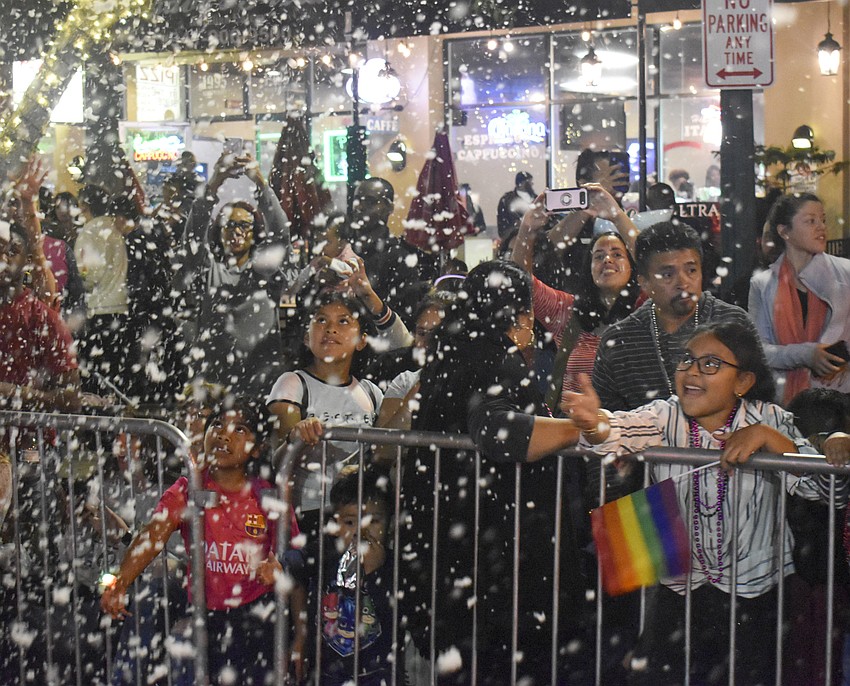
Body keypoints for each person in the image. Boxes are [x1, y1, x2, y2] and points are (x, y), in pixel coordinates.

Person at [565, 321, 848, 685]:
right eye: (687, 360)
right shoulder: (665, 415)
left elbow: (826, 493)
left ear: (743, 381)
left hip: (755, 598)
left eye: (710, 364)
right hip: (678, 592)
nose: (692, 371)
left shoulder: (770, 419)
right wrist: (594, 425)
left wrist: (771, 440)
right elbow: (617, 430)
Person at [399, 260, 591, 685]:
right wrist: (578, 429)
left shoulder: (453, 351)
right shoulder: (491, 358)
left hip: (458, 545)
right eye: (527, 314)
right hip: (494, 551)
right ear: (518, 314)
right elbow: (497, 430)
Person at [101, 397, 280, 685]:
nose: (224, 434)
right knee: (182, 643)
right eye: (218, 425)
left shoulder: (267, 495)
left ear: (257, 448)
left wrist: (279, 565)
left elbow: (293, 551)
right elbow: (153, 535)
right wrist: (121, 581)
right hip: (203, 608)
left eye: (240, 430)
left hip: (253, 613)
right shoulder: (188, 488)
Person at [592, 220, 758, 414]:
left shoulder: (733, 321)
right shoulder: (619, 340)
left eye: (691, 270)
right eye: (668, 274)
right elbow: (606, 423)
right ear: (644, 282)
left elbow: (762, 404)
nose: (683, 282)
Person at [266, 292, 384, 537]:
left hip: (361, 515)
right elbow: (279, 462)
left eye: (343, 321)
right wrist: (295, 438)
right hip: (310, 515)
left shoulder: (372, 393)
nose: (330, 329)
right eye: (321, 320)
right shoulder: (292, 384)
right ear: (307, 338)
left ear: (362, 340)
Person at [265, 466, 395, 685]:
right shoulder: (328, 552)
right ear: (336, 525)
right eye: (350, 522)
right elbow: (298, 563)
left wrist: (374, 574)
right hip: (326, 673)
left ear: (390, 524)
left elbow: (397, 615)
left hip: (377, 675)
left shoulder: (393, 564)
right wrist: (280, 566)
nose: (360, 532)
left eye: (373, 521)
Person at [173, 152, 292, 388]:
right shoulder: (209, 271)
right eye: (229, 225)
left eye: (244, 225)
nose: (237, 232)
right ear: (219, 231)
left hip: (262, 378)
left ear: (254, 231)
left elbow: (280, 235)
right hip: (214, 379)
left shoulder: (263, 270)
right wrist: (214, 183)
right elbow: (193, 238)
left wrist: (261, 183)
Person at [512, 190, 641, 403]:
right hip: (574, 429)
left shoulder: (646, 309)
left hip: (632, 429)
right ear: (588, 268)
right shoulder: (569, 310)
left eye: (617, 254)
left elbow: (656, 266)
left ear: (633, 266)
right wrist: (527, 228)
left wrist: (617, 215)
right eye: (598, 256)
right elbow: (519, 282)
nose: (607, 260)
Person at [748, 192, 850, 404]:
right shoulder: (763, 284)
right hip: (786, 402)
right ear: (784, 231)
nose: (821, 227)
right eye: (810, 221)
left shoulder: (846, 274)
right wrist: (806, 354)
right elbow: (761, 351)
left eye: (822, 220)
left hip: (842, 397)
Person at [349, 177, 436, 325]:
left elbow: (402, 321)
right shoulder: (342, 248)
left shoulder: (399, 258)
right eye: (357, 200)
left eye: (370, 201)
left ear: (389, 208)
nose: (360, 207)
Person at [496, 171, 535, 240]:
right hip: (514, 237)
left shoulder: (536, 198)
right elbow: (503, 222)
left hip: (534, 235)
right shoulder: (507, 200)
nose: (532, 184)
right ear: (522, 183)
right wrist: (516, 226)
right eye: (529, 182)